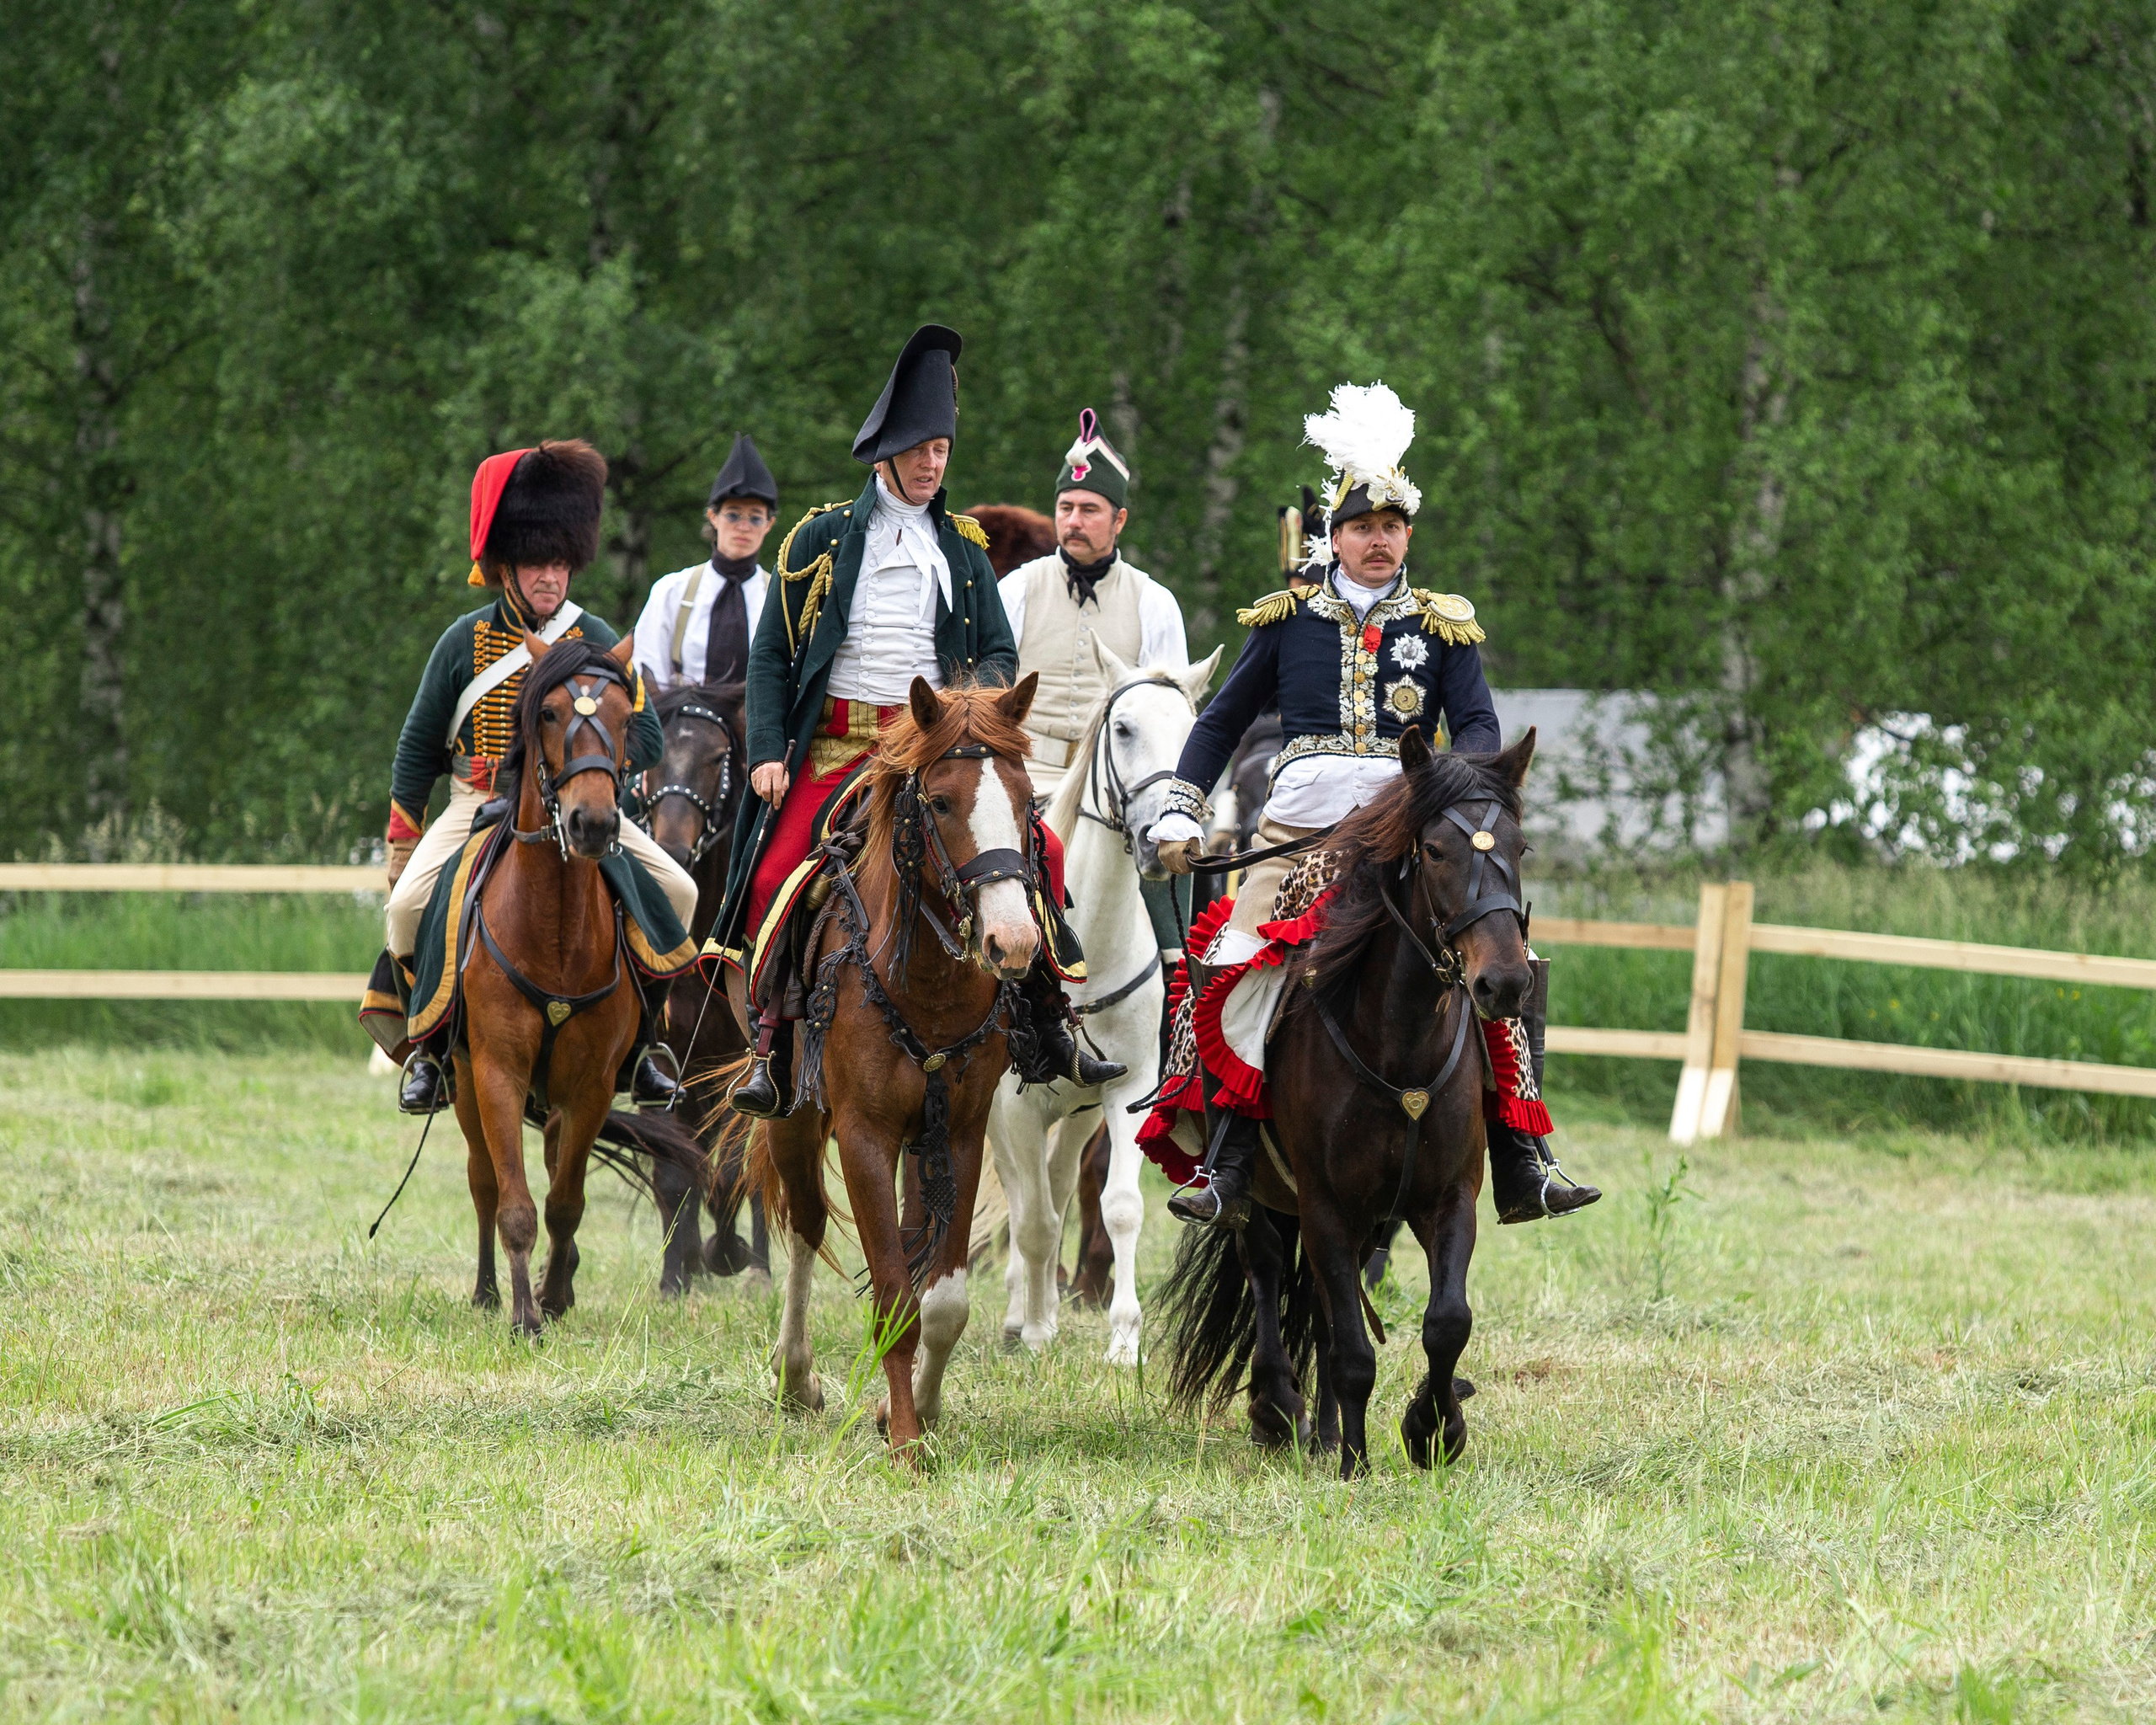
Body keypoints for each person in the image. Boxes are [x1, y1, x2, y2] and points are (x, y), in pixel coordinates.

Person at [1147, 383, 1600, 1228]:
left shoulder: (1442, 627)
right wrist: (1179, 806)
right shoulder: (1284, 622)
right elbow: (1220, 723)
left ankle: (1522, 1158)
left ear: (1408, 535)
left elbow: (1476, 726)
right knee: (1240, 957)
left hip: (1406, 832)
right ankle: (1229, 1161)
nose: (1379, 540)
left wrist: (1448, 792)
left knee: (1503, 961)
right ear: (1334, 538)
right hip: (1295, 836)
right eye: (1362, 527)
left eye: (1392, 526)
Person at [709, 326, 1126, 1119]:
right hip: (834, 744)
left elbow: (998, 651)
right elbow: (770, 658)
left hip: (936, 747)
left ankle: (1049, 1020)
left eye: (943, 450)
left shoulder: (965, 548)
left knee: (1046, 848)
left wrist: (976, 709)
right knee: (772, 876)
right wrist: (767, 751)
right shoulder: (817, 539)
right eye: (922, 451)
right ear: (886, 454)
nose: (935, 465)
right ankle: (770, 1047)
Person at [381, 440, 699, 1114]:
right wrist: (402, 842)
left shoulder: (598, 636)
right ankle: (434, 1050)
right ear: (505, 567)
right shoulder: (462, 643)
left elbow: (645, 737)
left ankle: (644, 1046)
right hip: (477, 800)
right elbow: (415, 748)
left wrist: (595, 766)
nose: (550, 577)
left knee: (680, 890)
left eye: (559, 562)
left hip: (583, 803)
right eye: (535, 563)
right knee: (407, 911)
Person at [999, 408, 1194, 957]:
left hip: (1114, 793)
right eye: (1066, 508)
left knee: (1175, 859)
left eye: (1090, 509)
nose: (1074, 521)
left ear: (1120, 520)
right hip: (1025, 779)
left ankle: (1178, 991)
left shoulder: (1154, 602)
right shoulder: (1017, 589)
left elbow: (1167, 720)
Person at [631, 433, 778, 697]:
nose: (743, 527)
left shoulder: (781, 598)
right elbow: (647, 673)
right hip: (682, 726)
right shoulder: (672, 590)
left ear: (769, 525)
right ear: (713, 517)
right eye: (733, 515)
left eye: (755, 518)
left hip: (754, 730)